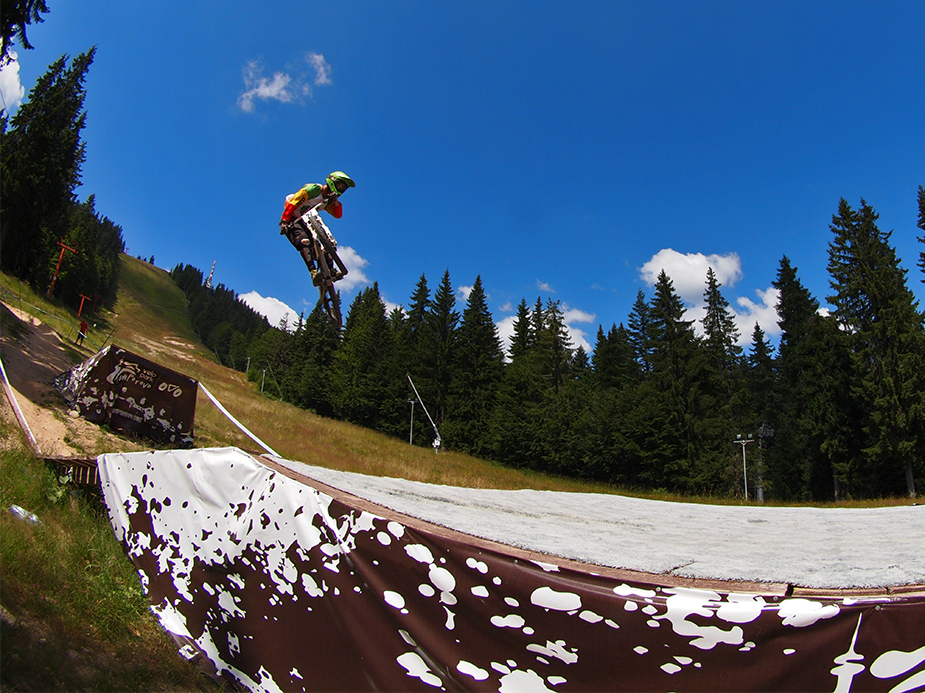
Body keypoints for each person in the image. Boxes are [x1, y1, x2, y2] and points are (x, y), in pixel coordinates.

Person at [279, 171, 355, 285]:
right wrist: (284, 221)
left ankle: (332, 270)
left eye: (343, 188)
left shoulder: (327, 200)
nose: (341, 189)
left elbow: (337, 215)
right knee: (304, 241)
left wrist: (335, 202)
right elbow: (293, 202)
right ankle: (313, 272)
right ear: (333, 181)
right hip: (292, 217)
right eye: (340, 186)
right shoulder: (313, 189)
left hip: (307, 220)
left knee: (327, 243)